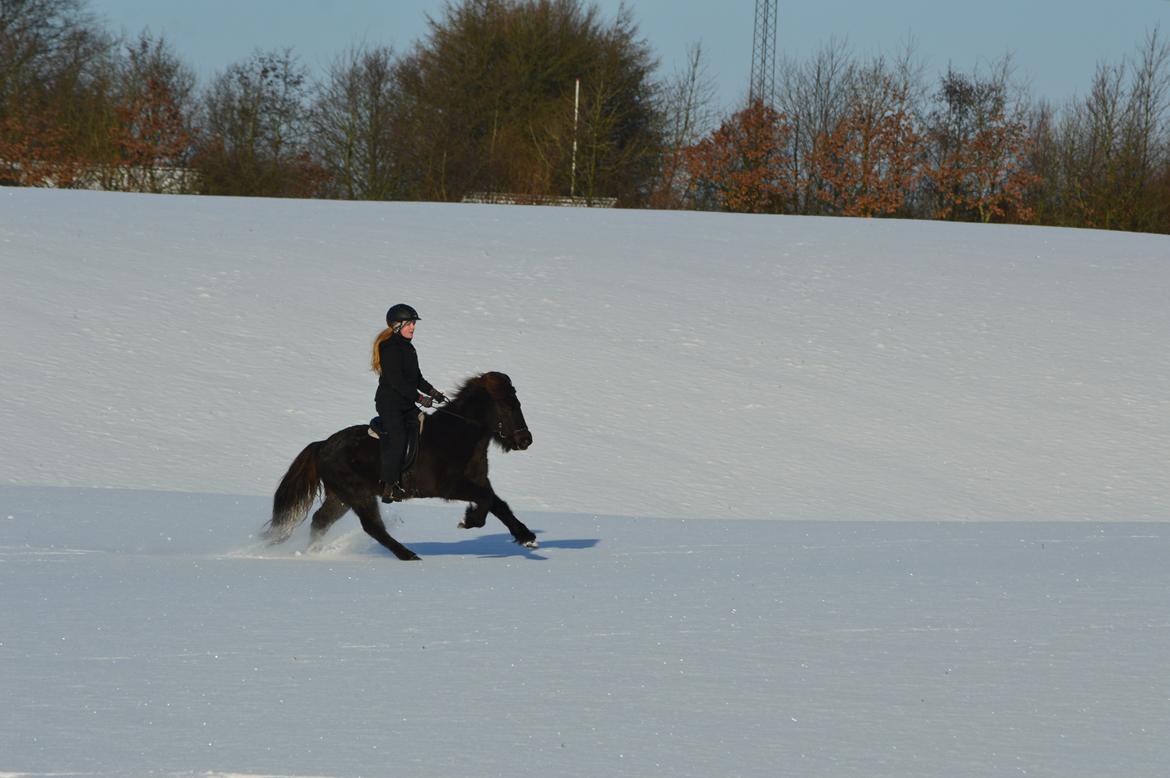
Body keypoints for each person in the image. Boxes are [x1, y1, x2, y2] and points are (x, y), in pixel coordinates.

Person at [371, 303, 447, 502]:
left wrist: (434, 392)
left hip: (406, 404)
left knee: (430, 429)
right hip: (390, 404)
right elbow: (397, 382)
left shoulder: (408, 347)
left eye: (413, 323)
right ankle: (390, 485)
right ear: (396, 326)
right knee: (399, 438)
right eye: (409, 324)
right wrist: (421, 398)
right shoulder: (389, 348)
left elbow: (417, 378)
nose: (413, 327)